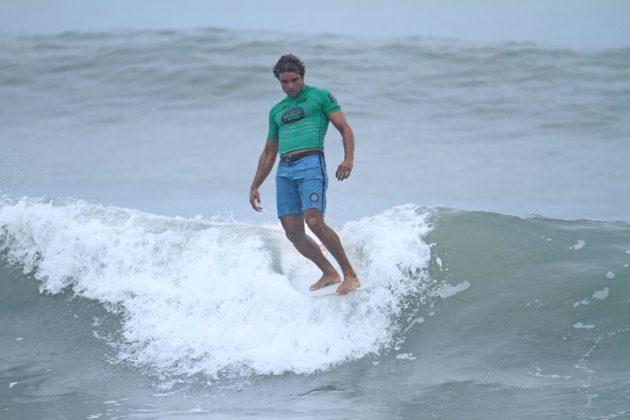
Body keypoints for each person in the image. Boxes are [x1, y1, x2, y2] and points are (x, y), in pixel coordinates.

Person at [249, 54, 360, 295]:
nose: (290, 86)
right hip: (284, 169)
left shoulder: (320, 96)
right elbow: (269, 151)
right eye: (284, 82)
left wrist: (348, 158)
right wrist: (255, 185)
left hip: (311, 162)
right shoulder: (276, 110)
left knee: (314, 221)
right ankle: (329, 272)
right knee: (292, 232)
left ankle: (350, 274)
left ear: (303, 76)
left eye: (294, 80)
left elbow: (345, 128)